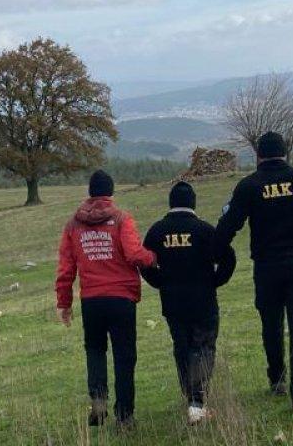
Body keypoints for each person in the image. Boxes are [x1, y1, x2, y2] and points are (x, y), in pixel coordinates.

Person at [215, 131, 293, 413]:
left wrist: (212, 253)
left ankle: (277, 379)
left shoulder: (249, 186)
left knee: (271, 324)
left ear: (258, 155)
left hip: (267, 266)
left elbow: (229, 225)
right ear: (285, 153)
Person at [55, 169, 157, 427]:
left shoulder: (73, 225)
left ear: (90, 193)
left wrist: (64, 302)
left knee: (95, 350)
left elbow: (66, 268)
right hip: (121, 298)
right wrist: (153, 258)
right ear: (111, 192)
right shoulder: (122, 219)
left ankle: (98, 401)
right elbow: (134, 255)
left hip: (91, 300)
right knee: (124, 356)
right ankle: (124, 415)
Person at [141, 181, 236, 425]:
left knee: (182, 346)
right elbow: (228, 257)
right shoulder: (204, 230)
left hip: (173, 302)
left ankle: (191, 396)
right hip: (203, 299)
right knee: (203, 346)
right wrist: (215, 281)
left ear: (170, 203)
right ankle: (197, 401)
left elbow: (144, 262)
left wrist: (160, 282)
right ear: (193, 203)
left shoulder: (157, 232)